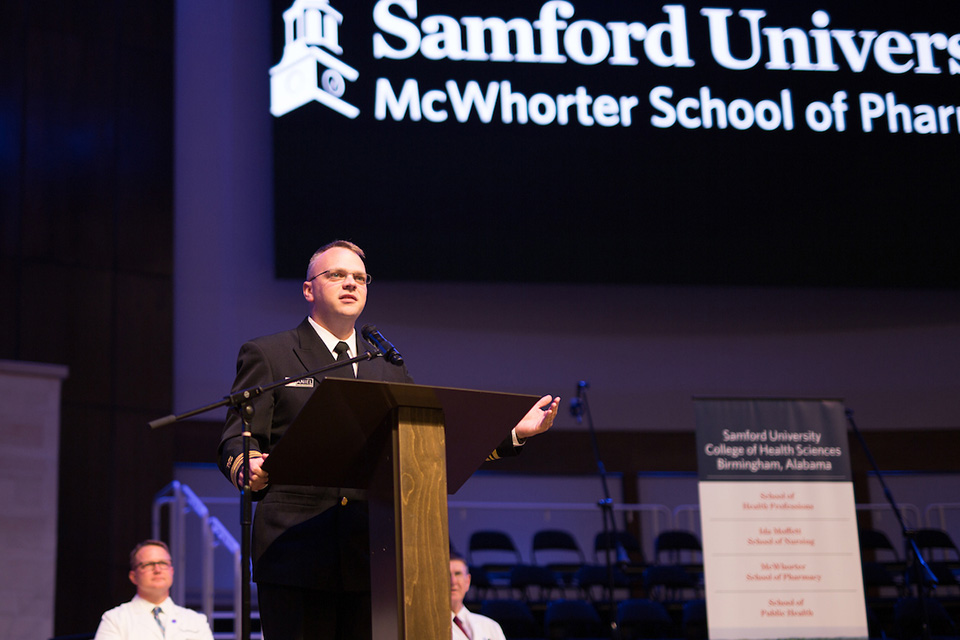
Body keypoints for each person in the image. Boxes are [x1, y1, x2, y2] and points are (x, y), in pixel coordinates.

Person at [217, 240, 560, 640]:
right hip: (296, 551)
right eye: (337, 275)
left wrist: (514, 433)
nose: (351, 284)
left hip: (372, 557)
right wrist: (248, 466)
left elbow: (430, 444)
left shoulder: (386, 365)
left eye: (360, 278)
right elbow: (236, 437)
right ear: (309, 289)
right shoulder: (270, 353)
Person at [94, 539, 214, 640]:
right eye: (148, 564)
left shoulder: (196, 620)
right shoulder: (114, 620)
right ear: (133, 576)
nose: (157, 569)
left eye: (163, 563)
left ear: (171, 571)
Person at [450, 554, 506, 640]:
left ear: (467, 581)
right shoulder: (432, 628)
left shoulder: (490, 626)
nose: (453, 581)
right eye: (447, 574)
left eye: (458, 574)